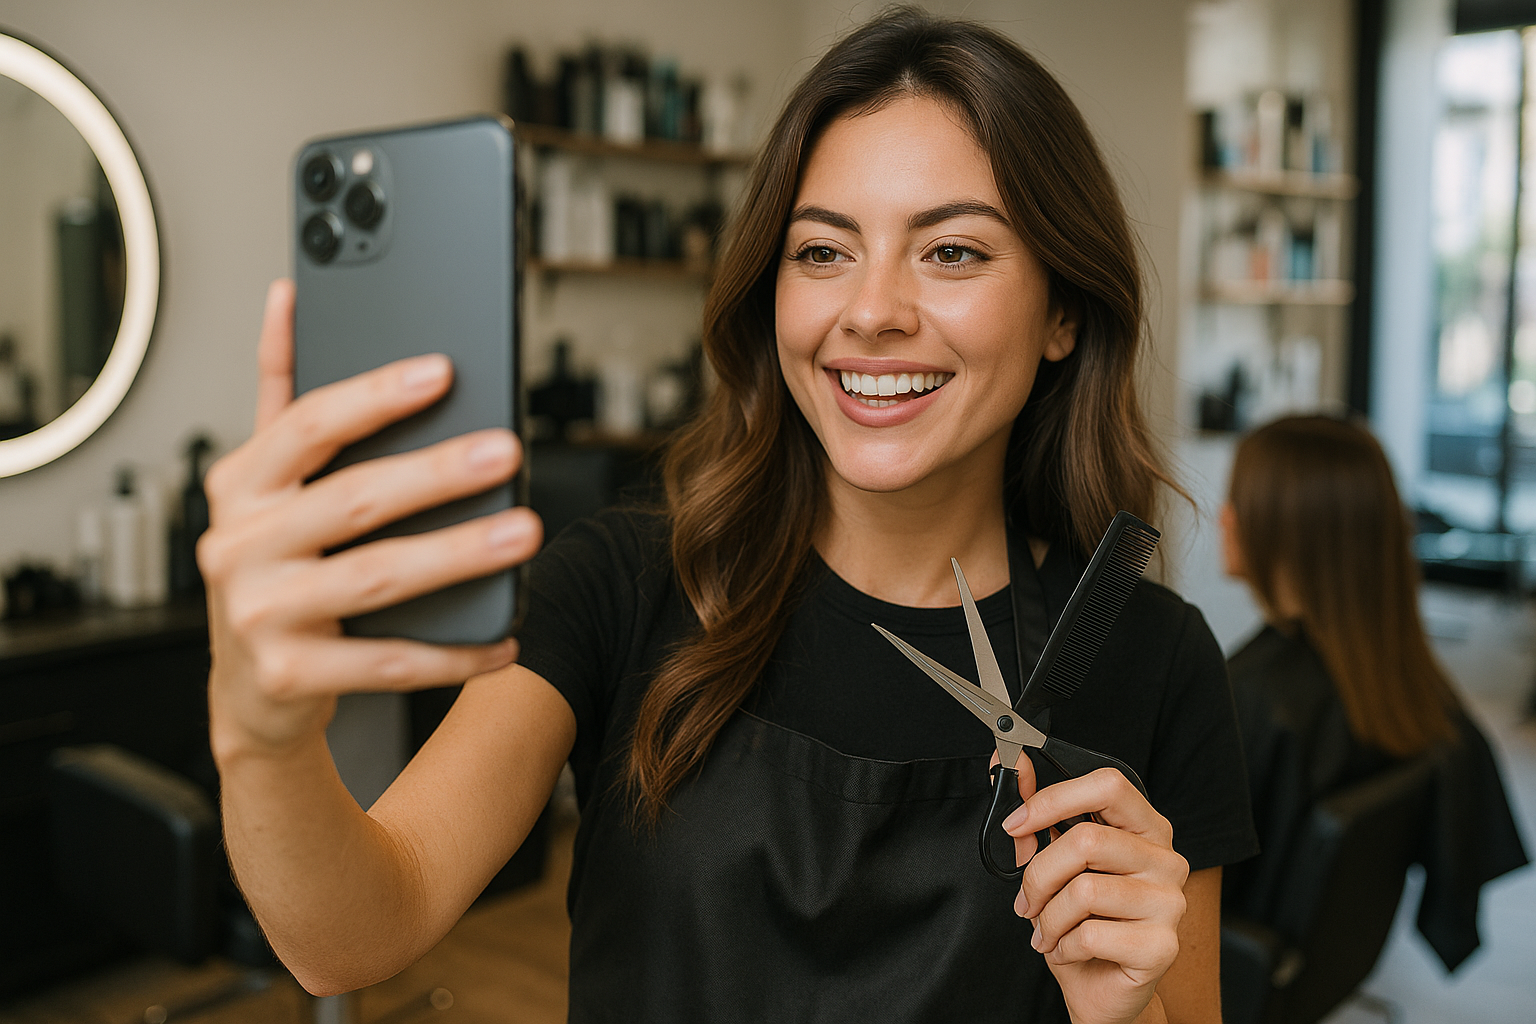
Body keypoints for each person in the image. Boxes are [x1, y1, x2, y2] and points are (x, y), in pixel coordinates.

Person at [201, 9, 1257, 1023]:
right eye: (822, 251)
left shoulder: (1157, 661)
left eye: (953, 252)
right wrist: (262, 735)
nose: (872, 310)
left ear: (1063, 311)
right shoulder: (618, 582)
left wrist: (1123, 1012)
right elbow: (349, 934)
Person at [1218, 414, 1527, 969]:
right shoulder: (1402, 676)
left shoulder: (1250, 696)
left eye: (1237, 498)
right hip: (1324, 964)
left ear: (1277, 528)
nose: (1224, 515)